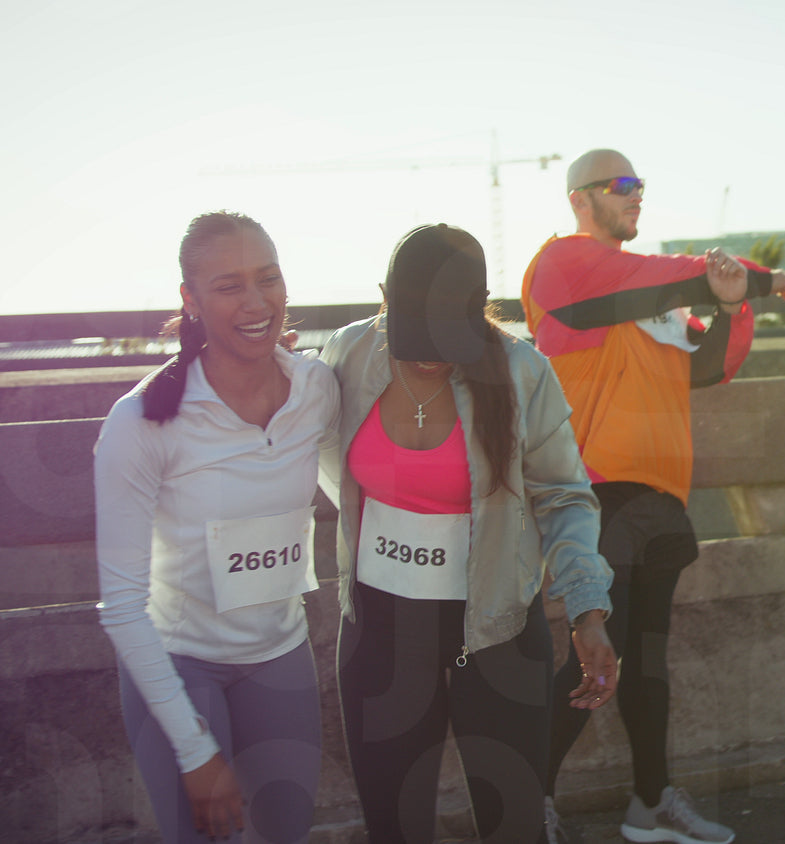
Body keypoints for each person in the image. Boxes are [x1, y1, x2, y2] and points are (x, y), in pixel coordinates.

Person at [522, 149, 785, 844]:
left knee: (646, 663)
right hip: (595, 495)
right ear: (579, 200)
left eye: (639, 184)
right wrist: (771, 281)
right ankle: (525, 801)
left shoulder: (654, 303)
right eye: (620, 185)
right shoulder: (563, 265)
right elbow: (670, 276)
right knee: (593, 657)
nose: (636, 195)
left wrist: (733, 306)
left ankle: (650, 803)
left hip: (660, 497)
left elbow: (710, 367)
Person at [318, 223, 617, 844]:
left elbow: (564, 495)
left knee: (514, 828)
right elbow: (316, 449)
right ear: (383, 300)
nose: (429, 354)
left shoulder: (522, 371)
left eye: (448, 334)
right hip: (380, 630)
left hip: (495, 630)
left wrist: (587, 608)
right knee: (393, 829)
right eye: (414, 333)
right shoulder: (348, 354)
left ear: (481, 309)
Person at [95, 211, 338, 842]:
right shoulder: (140, 422)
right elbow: (121, 605)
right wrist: (193, 750)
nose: (256, 302)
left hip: (280, 656)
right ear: (191, 299)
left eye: (268, 278)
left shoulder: (316, 388)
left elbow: (354, 479)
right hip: (180, 665)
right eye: (229, 286)